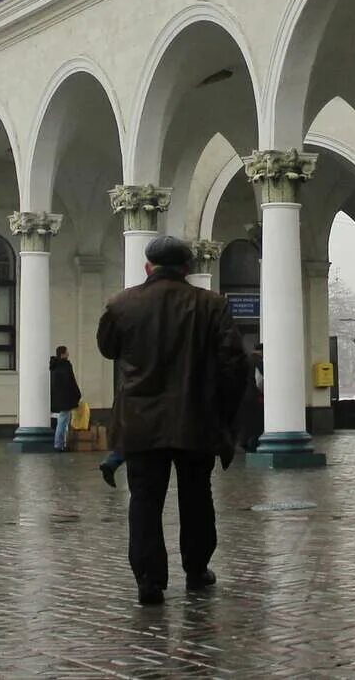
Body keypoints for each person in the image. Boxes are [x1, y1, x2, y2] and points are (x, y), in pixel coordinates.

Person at [96, 235, 251, 606]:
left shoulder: (121, 304)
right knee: (197, 497)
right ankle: (197, 569)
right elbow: (235, 365)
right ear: (186, 269)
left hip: (140, 421)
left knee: (144, 501)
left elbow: (107, 349)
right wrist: (225, 417)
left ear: (148, 267)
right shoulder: (212, 305)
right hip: (195, 417)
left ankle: (149, 580)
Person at [50, 346, 83, 452]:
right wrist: (77, 394)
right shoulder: (66, 365)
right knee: (63, 420)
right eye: (67, 352)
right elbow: (71, 381)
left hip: (58, 397)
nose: (68, 354)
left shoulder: (54, 366)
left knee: (63, 420)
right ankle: (59, 444)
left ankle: (61, 444)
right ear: (63, 354)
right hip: (66, 398)